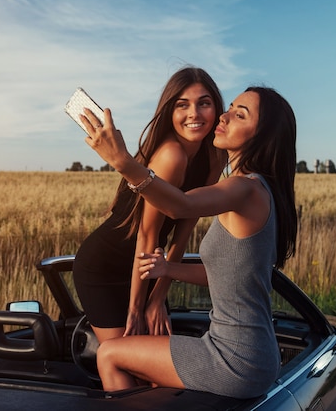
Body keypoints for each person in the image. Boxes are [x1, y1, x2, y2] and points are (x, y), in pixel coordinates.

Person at [80, 86, 297, 399]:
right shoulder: (261, 191)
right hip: (250, 356)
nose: (224, 116)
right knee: (152, 378)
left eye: (239, 115)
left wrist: (122, 161)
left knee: (109, 354)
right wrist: (168, 269)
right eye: (230, 107)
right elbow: (224, 275)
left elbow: (179, 206)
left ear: (263, 135)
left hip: (233, 359)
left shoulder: (246, 189)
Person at [72, 67, 227, 345]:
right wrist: (135, 308)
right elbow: (147, 235)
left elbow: (185, 229)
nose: (194, 113)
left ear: (216, 108)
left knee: (155, 363)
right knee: (126, 358)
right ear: (170, 112)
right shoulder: (171, 156)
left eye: (204, 103)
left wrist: (157, 299)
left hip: (148, 266)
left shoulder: (216, 156)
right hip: (105, 266)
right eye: (183, 105)